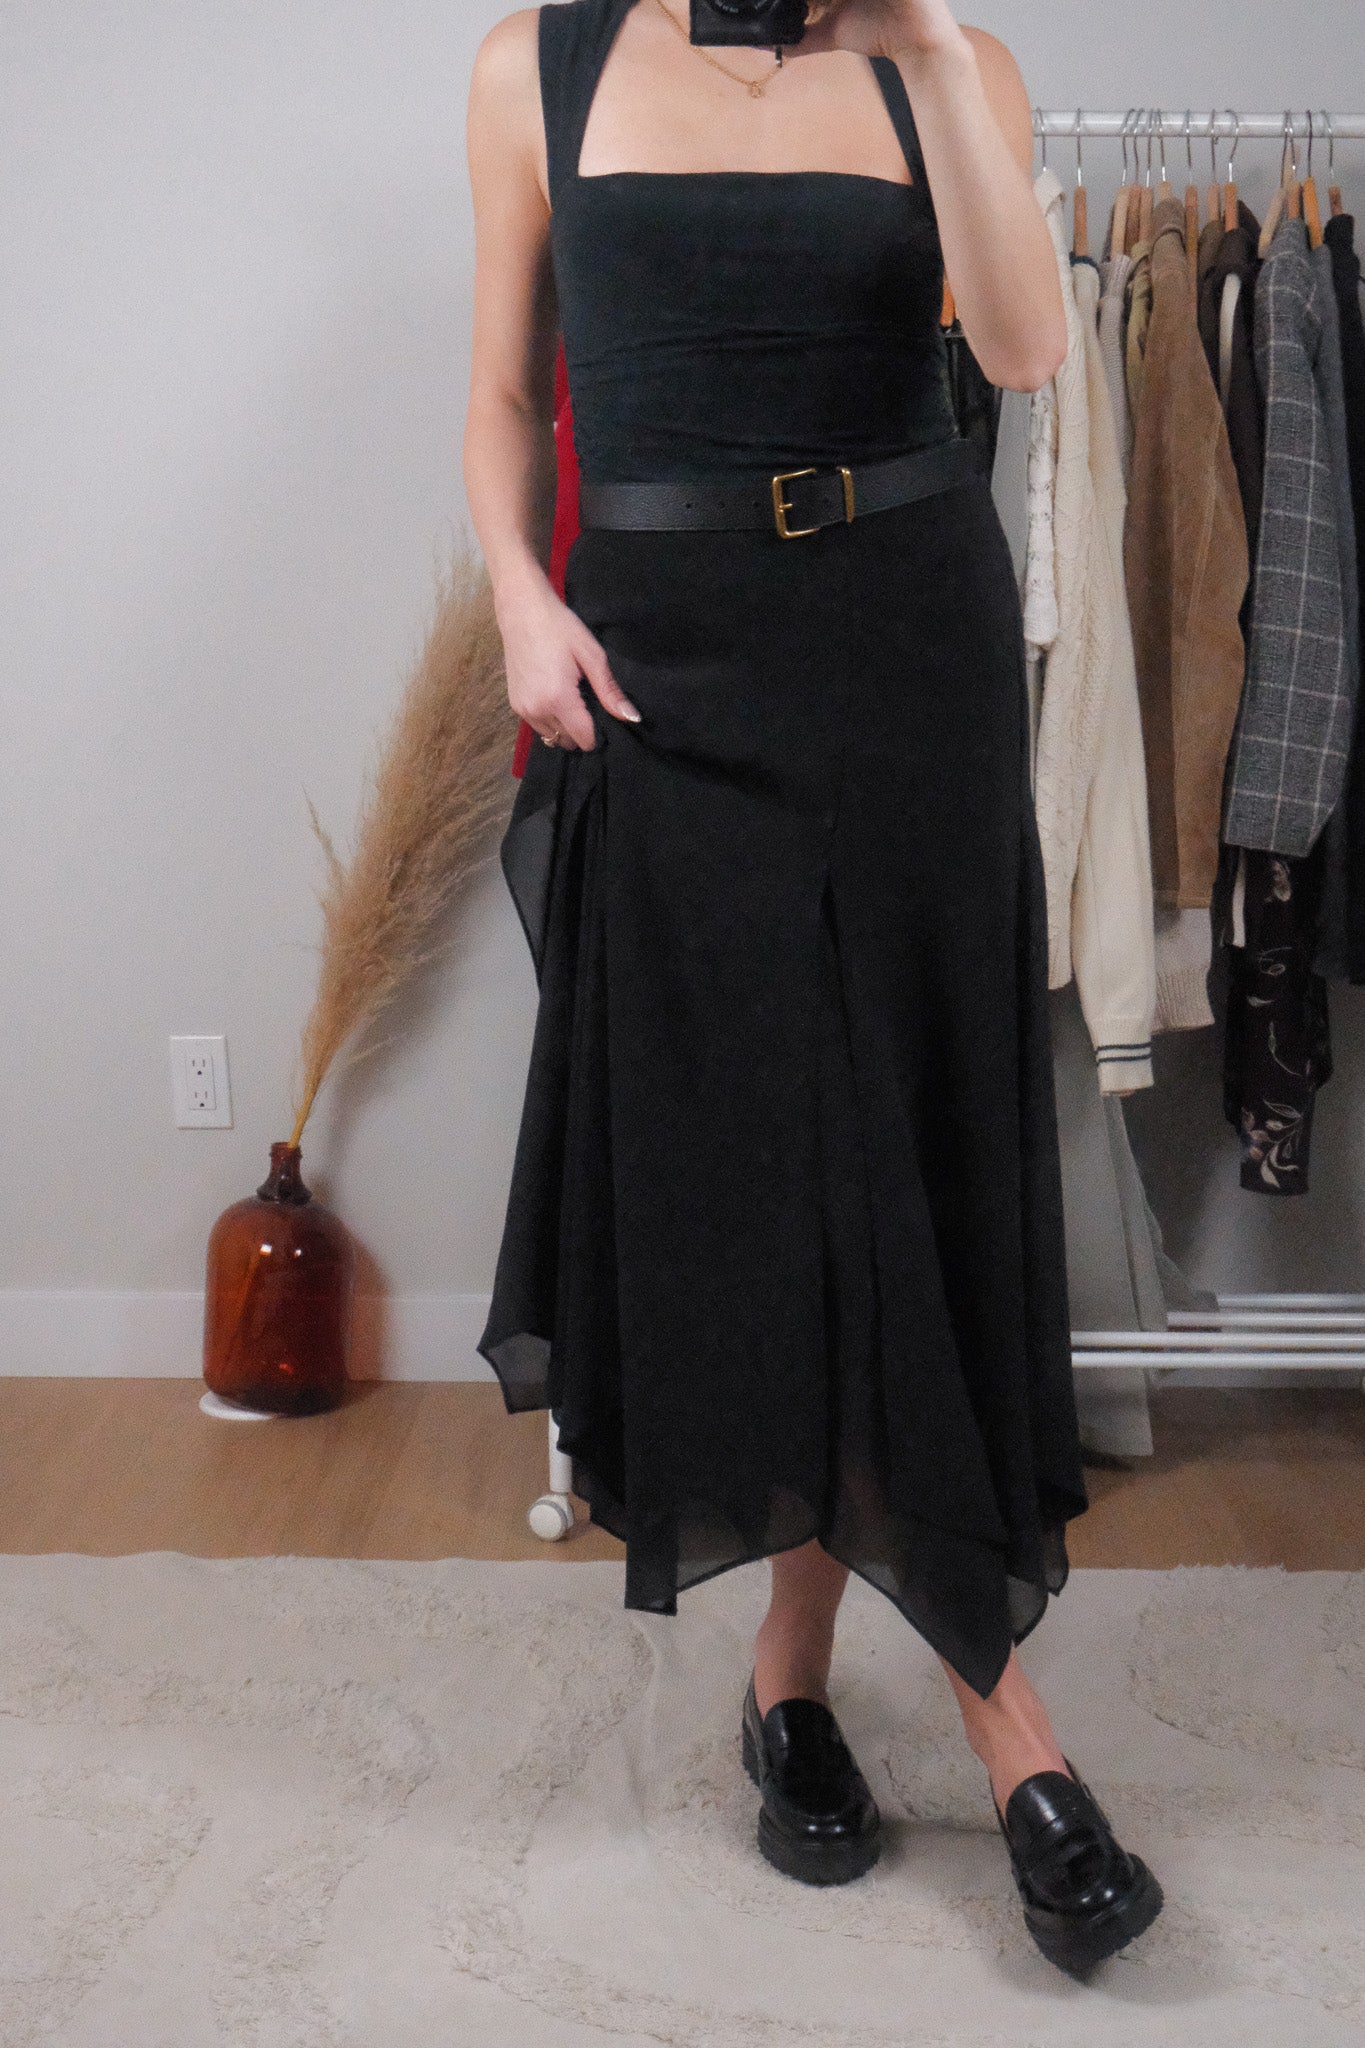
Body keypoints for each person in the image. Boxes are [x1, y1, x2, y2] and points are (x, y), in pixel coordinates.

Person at [463, 0, 1164, 1973]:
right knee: (753, 1181)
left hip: (903, 649)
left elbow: (1019, 349)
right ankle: (861, 1687)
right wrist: (517, 590)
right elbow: (503, 390)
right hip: (660, 670)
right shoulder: (534, 67)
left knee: (904, 1161)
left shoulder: (949, 62)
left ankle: (886, 1700)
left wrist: (925, 50)